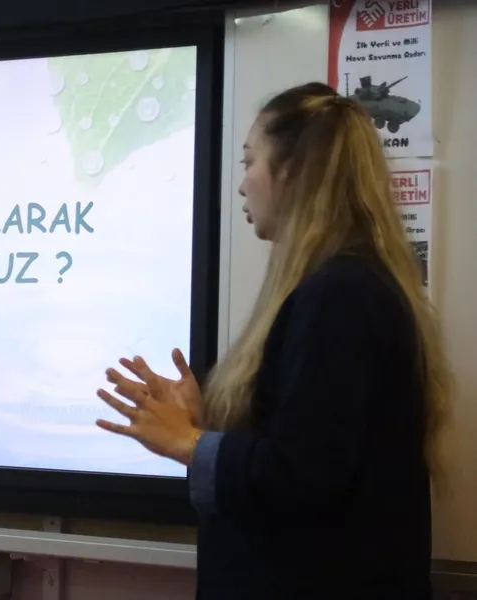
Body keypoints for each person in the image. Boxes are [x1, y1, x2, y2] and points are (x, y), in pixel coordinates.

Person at [95, 82, 453, 600]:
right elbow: (312, 445)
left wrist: (190, 443)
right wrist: (204, 423)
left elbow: (303, 477)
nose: (242, 185)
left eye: (249, 162)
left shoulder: (340, 294)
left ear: (292, 171)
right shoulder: (347, 284)